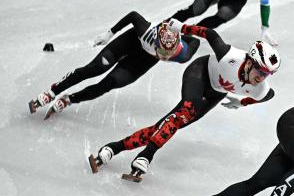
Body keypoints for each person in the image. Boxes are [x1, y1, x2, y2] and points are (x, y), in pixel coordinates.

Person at [89, 20, 281, 181]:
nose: (263, 77)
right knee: (185, 112)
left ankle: (113, 148)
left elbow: (268, 97)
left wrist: (243, 102)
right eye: (260, 71)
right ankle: (146, 156)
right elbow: (210, 33)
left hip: (215, 93)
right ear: (249, 62)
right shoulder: (229, 56)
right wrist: (180, 27)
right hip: (199, 72)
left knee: (166, 125)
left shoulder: (260, 88)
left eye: (268, 74)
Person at [29, 12, 201, 119]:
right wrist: (108, 34)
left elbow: (195, 42)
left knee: (108, 84)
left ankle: (69, 99)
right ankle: (53, 91)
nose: (164, 58)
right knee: (95, 68)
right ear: (155, 42)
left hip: (141, 62)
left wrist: (182, 28)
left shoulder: (181, 53)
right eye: (162, 53)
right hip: (130, 42)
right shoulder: (147, 31)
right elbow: (133, 15)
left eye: (168, 55)